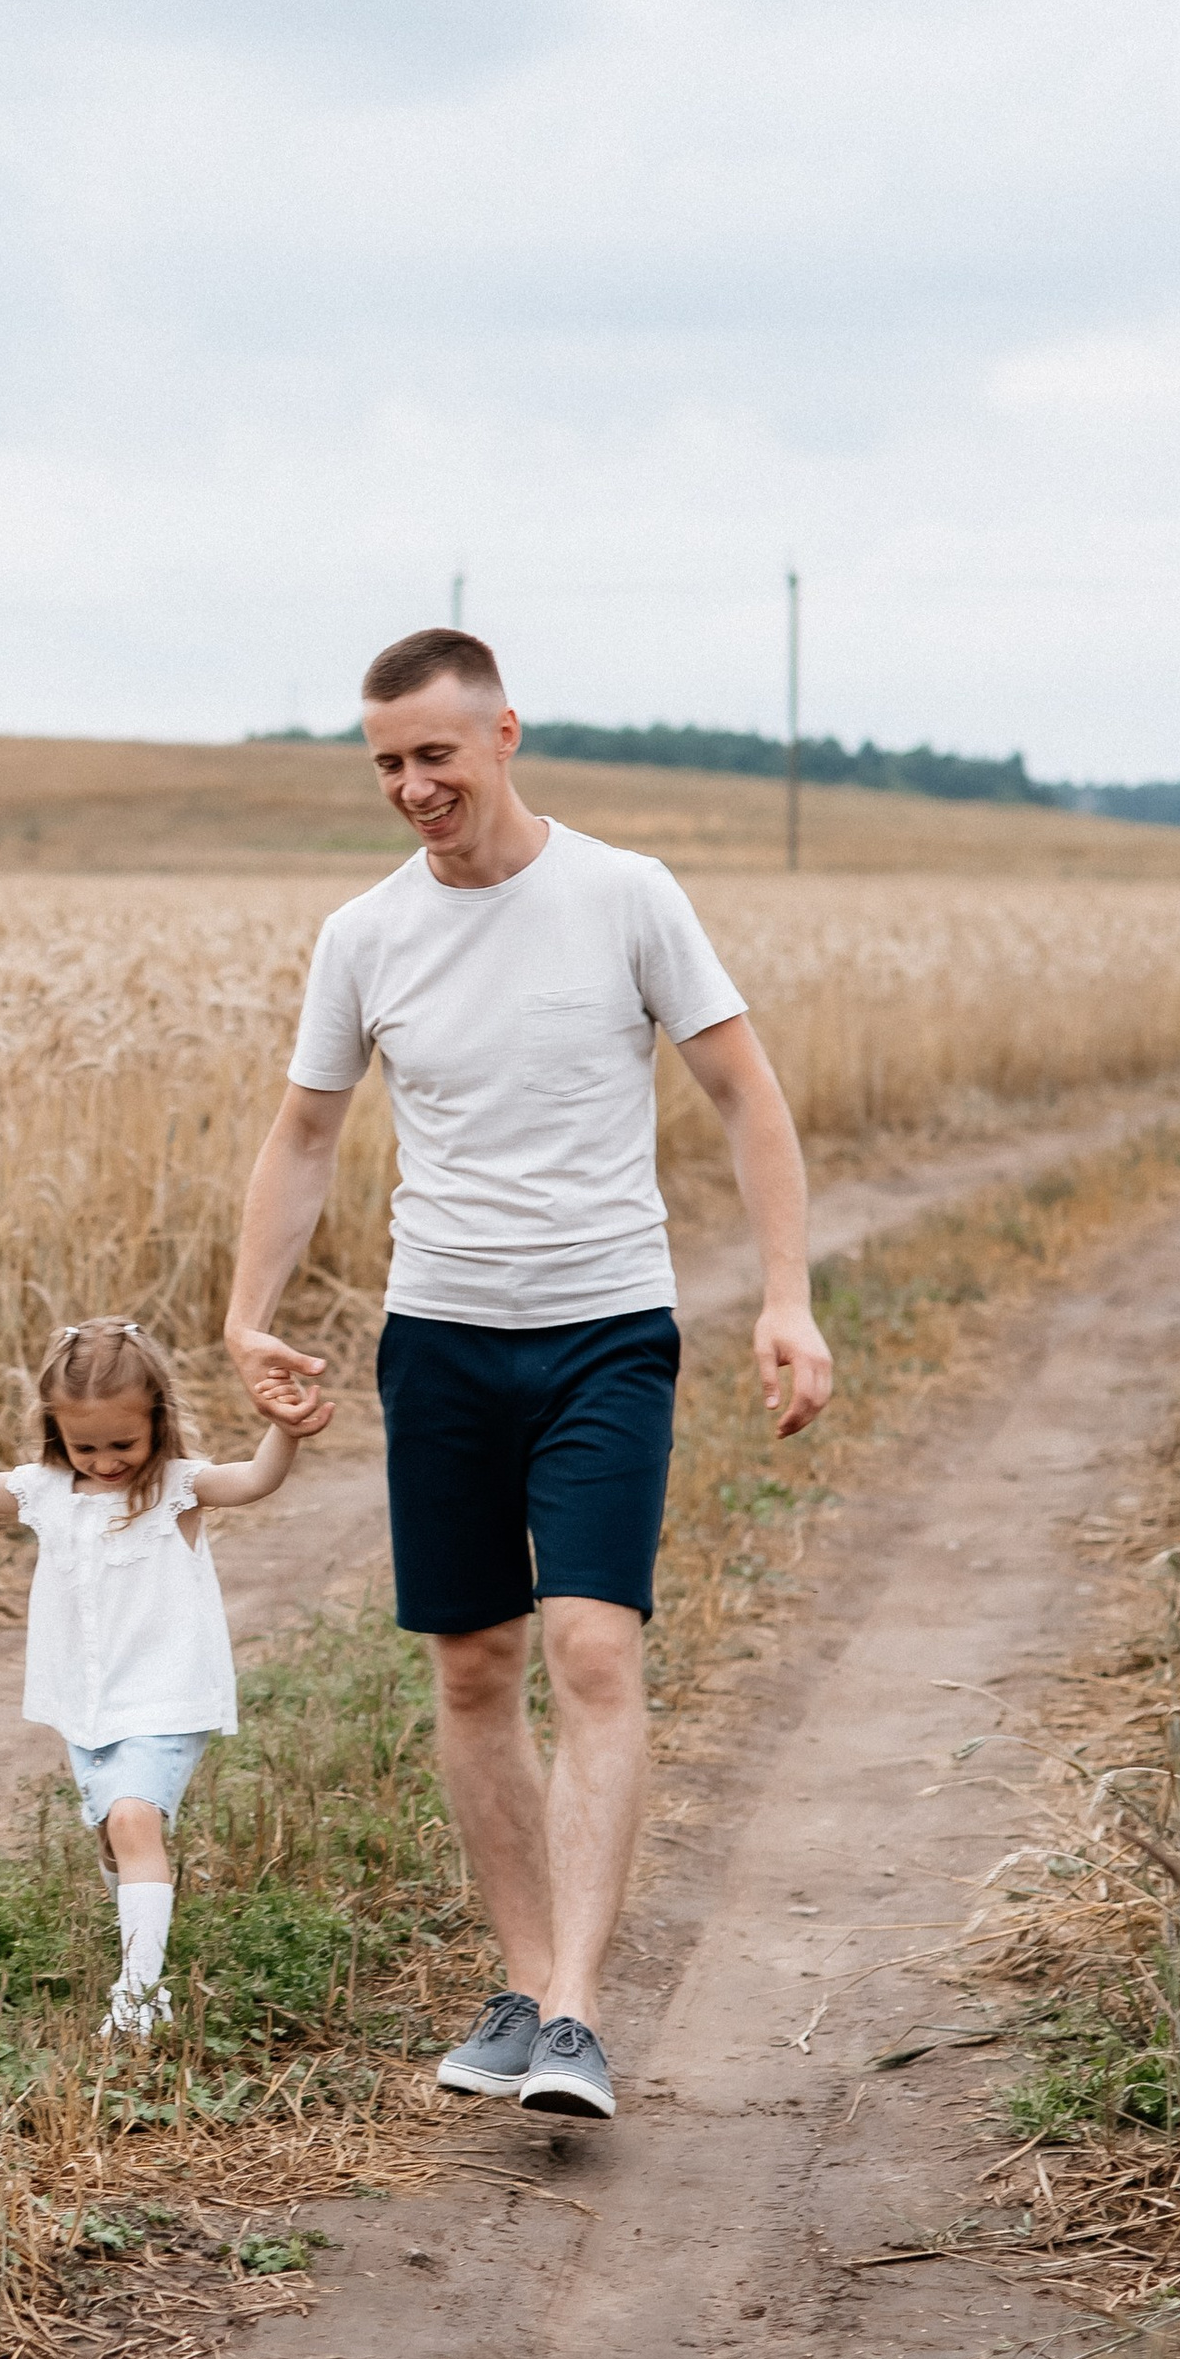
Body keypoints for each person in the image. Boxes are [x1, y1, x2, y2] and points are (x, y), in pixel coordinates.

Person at [224, 630, 832, 2124]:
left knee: (595, 1650)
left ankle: (575, 2013)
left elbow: (743, 1091)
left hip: (606, 1331)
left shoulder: (624, 895)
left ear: (504, 734)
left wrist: (789, 1300)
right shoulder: (364, 936)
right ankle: (519, 1983)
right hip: (437, 1340)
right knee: (475, 1666)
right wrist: (248, 1316)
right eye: (385, 763)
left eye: (435, 754)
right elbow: (306, 1135)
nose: (412, 787)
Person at [0, 1316, 326, 2037]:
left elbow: (255, 1479)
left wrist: (285, 1428)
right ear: (56, 1431)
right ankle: (142, 1927)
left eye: (123, 1444)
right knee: (117, 1836)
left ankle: (138, 1998)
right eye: (86, 1445)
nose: (106, 1461)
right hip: (88, 1706)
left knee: (135, 1820)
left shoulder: (178, 1486)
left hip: (167, 1696)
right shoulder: (46, 1491)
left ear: (158, 1423)